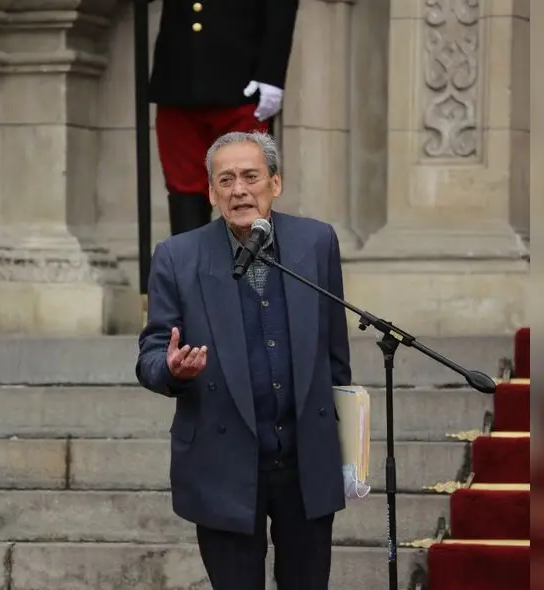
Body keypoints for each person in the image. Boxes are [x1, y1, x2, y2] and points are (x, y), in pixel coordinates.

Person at [135, 131, 352, 590]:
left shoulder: (316, 243)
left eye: (251, 177)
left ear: (275, 183)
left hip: (304, 462)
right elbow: (151, 354)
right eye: (226, 180)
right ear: (211, 192)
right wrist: (171, 369)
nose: (239, 190)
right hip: (223, 462)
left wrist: (344, 445)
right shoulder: (177, 257)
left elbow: (335, 356)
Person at [148, 0, 300, 235]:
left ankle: (249, 271)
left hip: (241, 83)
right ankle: (191, 270)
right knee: (184, 190)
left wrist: (272, 73)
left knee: (245, 187)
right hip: (178, 80)